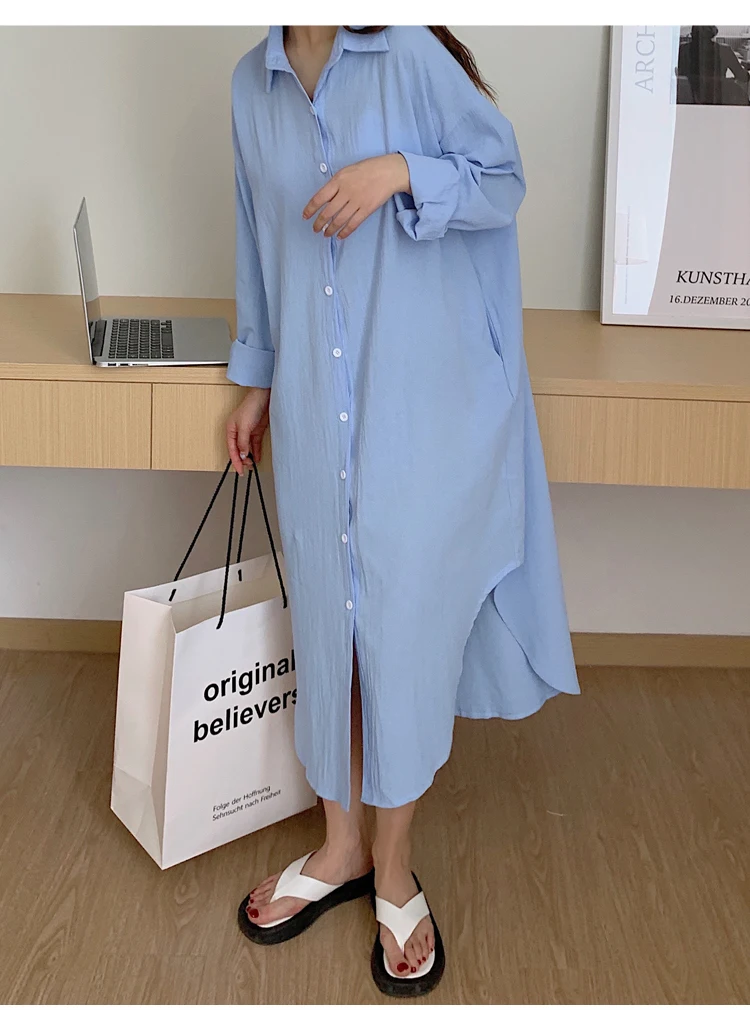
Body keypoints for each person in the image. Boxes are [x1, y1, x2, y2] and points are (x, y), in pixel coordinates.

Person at [225, 25, 580, 998]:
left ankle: (393, 866)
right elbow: (259, 239)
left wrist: (398, 172)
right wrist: (257, 380)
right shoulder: (250, 87)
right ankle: (339, 847)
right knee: (330, 627)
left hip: (424, 402)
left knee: (402, 639)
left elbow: (503, 180)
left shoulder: (411, 55)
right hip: (313, 403)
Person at [678, 25, 750, 105]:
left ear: (692, 33)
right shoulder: (724, 50)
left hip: (687, 100)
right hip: (718, 100)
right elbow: (742, 77)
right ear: (713, 33)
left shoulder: (683, 49)